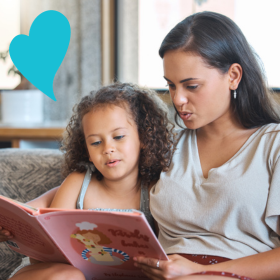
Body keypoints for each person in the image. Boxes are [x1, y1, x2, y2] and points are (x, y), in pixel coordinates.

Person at [134, 11, 280, 280]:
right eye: (171, 85)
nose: (177, 99)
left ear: (233, 76)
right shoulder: (167, 143)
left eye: (191, 86)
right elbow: (103, 180)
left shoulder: (274, 145)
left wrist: (202, 271)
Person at [0, 82, 174, 280]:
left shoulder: (154, 190)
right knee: (69, 275)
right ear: (87, 151)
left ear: (144, 138)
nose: (107, 148)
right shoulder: (77, 183)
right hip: (54, 272)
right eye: (96, 142)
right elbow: (50, 250)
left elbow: (164, 257)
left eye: (118, 136)